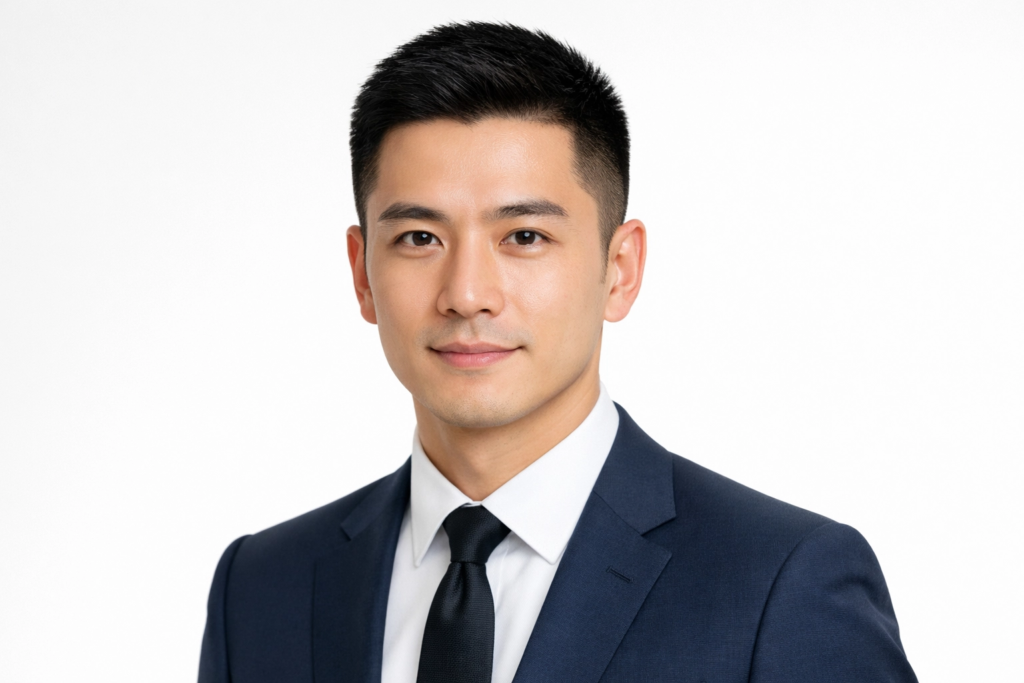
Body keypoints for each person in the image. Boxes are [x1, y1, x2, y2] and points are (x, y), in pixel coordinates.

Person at [198, 22, 917, 683]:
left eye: (524, 237)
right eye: (419, 238)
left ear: (619, 269)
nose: (467, 294)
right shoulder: (260, 588)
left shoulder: (780, 585)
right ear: (362, 274)